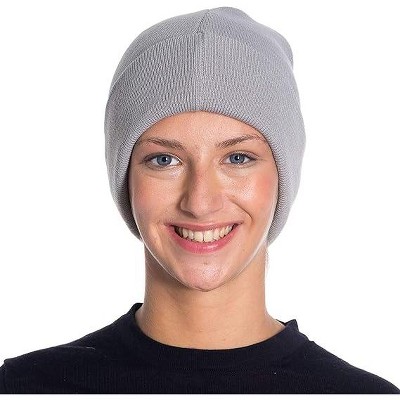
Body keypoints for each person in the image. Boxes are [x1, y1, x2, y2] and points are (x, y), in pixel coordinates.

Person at [0, 7, 398, 394]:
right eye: (164, 160)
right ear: (124, 177)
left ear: (283, 173)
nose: (200, 202)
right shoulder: (25, 387)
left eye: (237, 158)